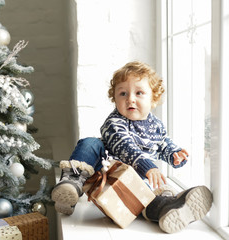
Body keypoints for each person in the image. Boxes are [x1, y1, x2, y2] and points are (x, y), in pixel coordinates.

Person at [51, 61, 213, 234]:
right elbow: (123, 145)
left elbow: (163, 143)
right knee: (90, 142)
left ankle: (167, 208)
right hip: (106, 175)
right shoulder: (114, 122)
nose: (130, 99)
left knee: (146, 197)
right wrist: (147, 166)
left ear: (154, 98)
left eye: (139, 93)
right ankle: (72, 184)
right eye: (123, 93)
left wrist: (174, 154)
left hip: (133, 183)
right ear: (115, 99)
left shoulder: (156, 126)